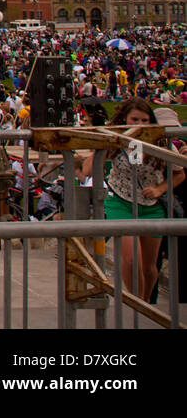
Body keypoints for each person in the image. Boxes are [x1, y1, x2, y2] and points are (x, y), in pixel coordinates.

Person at [79, 97, 185, 302]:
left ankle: (144, 304)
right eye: (135, 119)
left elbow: (179, 173)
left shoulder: (160, 141)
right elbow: (87, 169)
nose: (140, 125)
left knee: (148, 267)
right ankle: (136, 306)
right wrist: (102, 144)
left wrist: (159, 189)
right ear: (124, 119)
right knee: (130, 260)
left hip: (151, 207)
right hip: (120, 202)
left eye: (145, 120)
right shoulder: (116, 141)